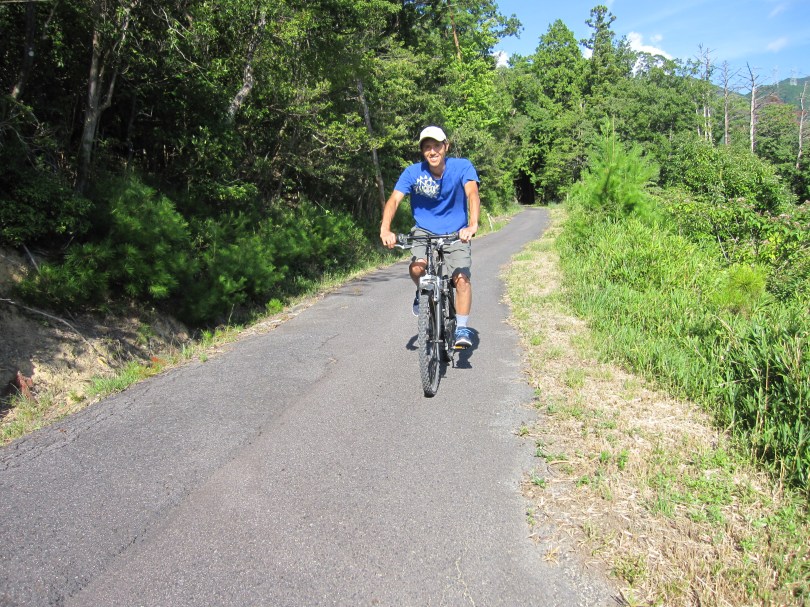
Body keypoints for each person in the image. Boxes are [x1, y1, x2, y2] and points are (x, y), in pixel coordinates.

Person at [379, 126, 480, 349]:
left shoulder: (462, 167)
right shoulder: (413, 172)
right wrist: (385, 229)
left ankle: (462, 327)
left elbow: (472, 193)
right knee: (417, 268)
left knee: (461, 278)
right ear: (422, 152)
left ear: (446, 147)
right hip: (424, 231)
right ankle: (422, 292)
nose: (432, 151)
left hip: (456, 232)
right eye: (427, 147)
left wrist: (472, 225)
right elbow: (394, 200)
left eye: (436, 146)